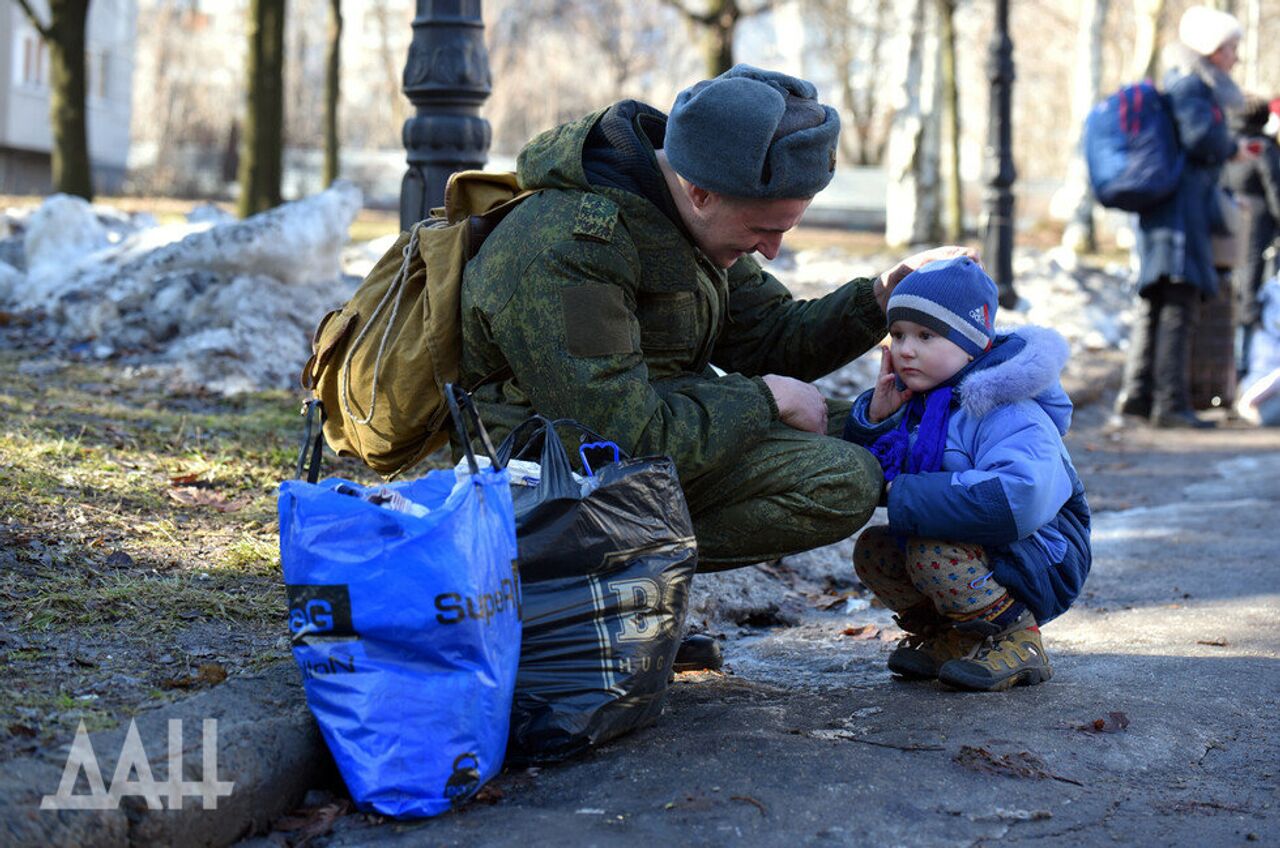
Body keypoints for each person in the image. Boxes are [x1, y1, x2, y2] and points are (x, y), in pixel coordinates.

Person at [459, 64, 971, 574]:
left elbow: (768, 336)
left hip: (650, 431)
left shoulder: (689, 212)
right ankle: (598, 585)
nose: (770, 251)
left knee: (890, 428)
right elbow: (619, 440)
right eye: (764, 229)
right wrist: (766, 399)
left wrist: (880, 298)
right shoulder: (569, 249)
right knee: (842, 477)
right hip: (538, 480)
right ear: (700, 191)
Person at [842, 256, 1091, 692]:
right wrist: (878, 421)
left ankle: (1019, 637)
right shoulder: (921, 402)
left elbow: (1020, 495)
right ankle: (954, 636)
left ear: (972, 343)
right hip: (983, 546)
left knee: (929, 550)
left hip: (1040, 554)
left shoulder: (1009, 412)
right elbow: (879, 480)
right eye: (897, 334)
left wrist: (907, 493)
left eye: (926, 335)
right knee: (875, 551)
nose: (905, 349)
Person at [1114, 5, 1256, 429]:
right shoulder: (1192, 86)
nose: (1235, 56)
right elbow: (1199, 138)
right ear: (1212, 50)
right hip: (1179, 215)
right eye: (1230, 47)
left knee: (1158, 304)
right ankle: (1169, 404)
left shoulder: (1182, 81)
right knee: (1179, 303)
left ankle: (1140, 396)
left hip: (1170, 212)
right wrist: (1231, 147)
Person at [1225, 95, 1280, 380]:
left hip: (1222, 227)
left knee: (1226, 296)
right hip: (1256, 229)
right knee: (1250, 296)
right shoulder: (1261, 148)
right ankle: (1245, 368)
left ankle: (1225, 369)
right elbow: (1275, 191)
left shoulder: (1224, 144)